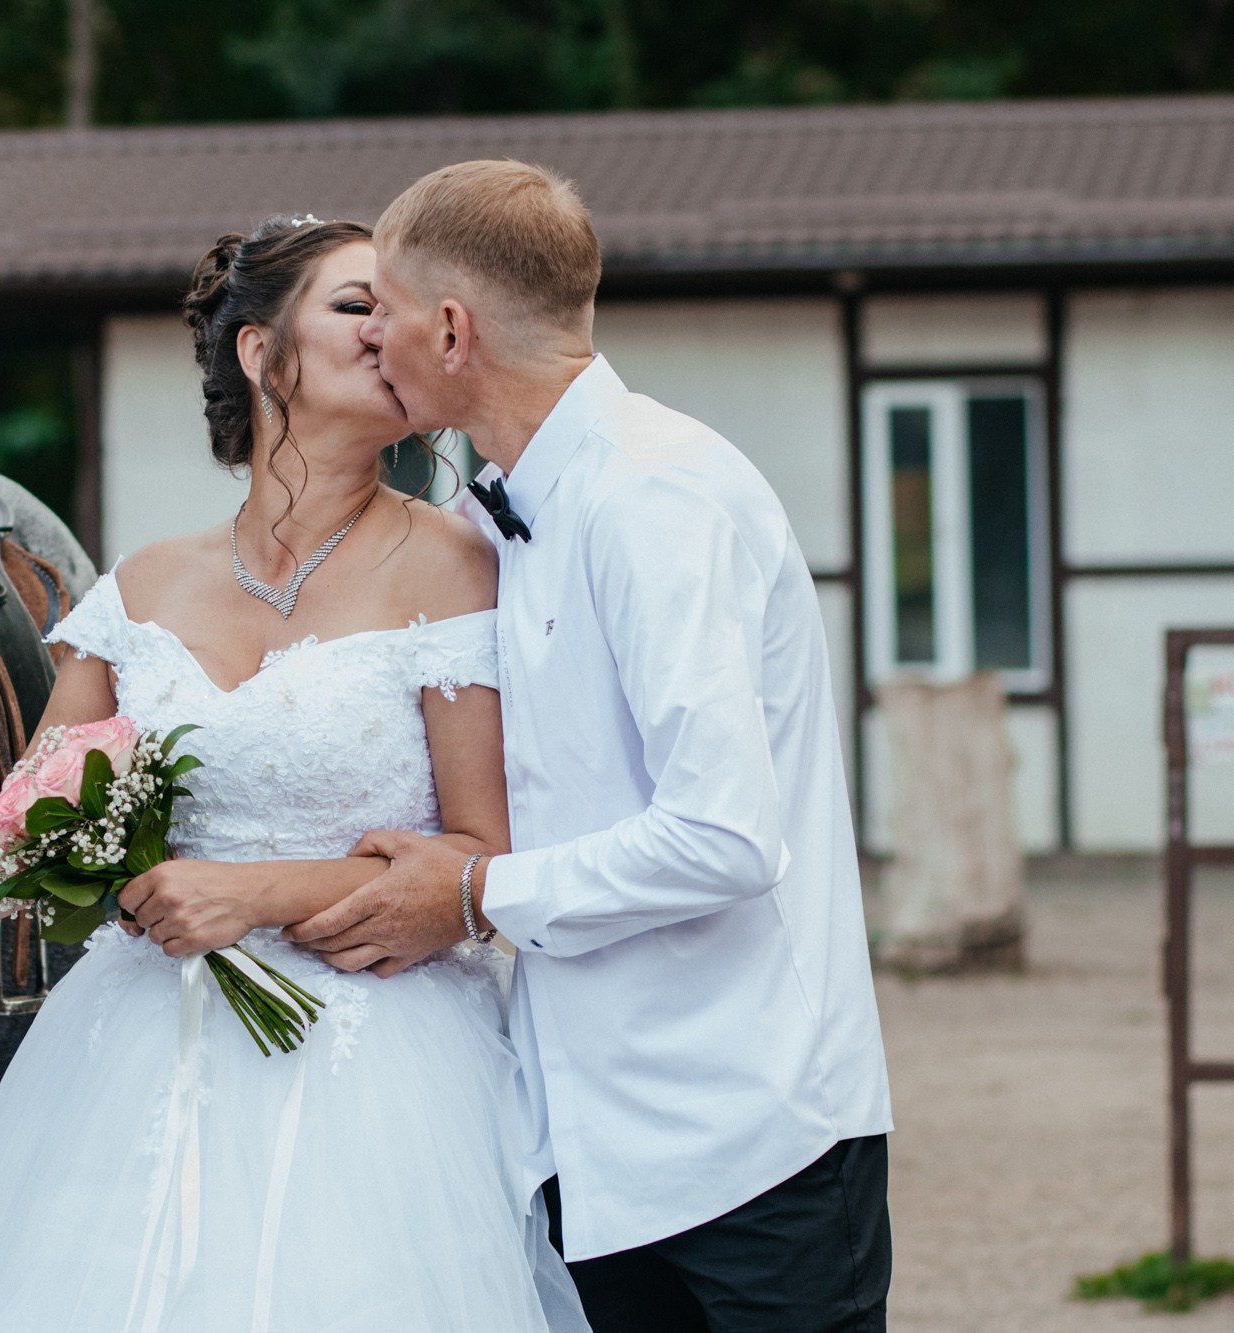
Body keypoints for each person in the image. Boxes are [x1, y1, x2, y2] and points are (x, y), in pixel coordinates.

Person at [0, 215, 587, 1331]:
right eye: (355, 306)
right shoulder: (143, 589)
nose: (392, 329)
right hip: (140, 1058)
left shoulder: (459, 564)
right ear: (260, 352)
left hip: (382, 1072)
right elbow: (13, 846)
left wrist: (252, 894)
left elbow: (482, 859)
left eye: (398, 308)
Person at [285, 160, 894, 1332]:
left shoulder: (654, 497)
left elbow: (722, 835)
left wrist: (472, 895)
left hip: (750, 1133)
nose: (370, 340)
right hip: (586, 1141)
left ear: (449, 331)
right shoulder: (495, 516)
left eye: (384, 311)